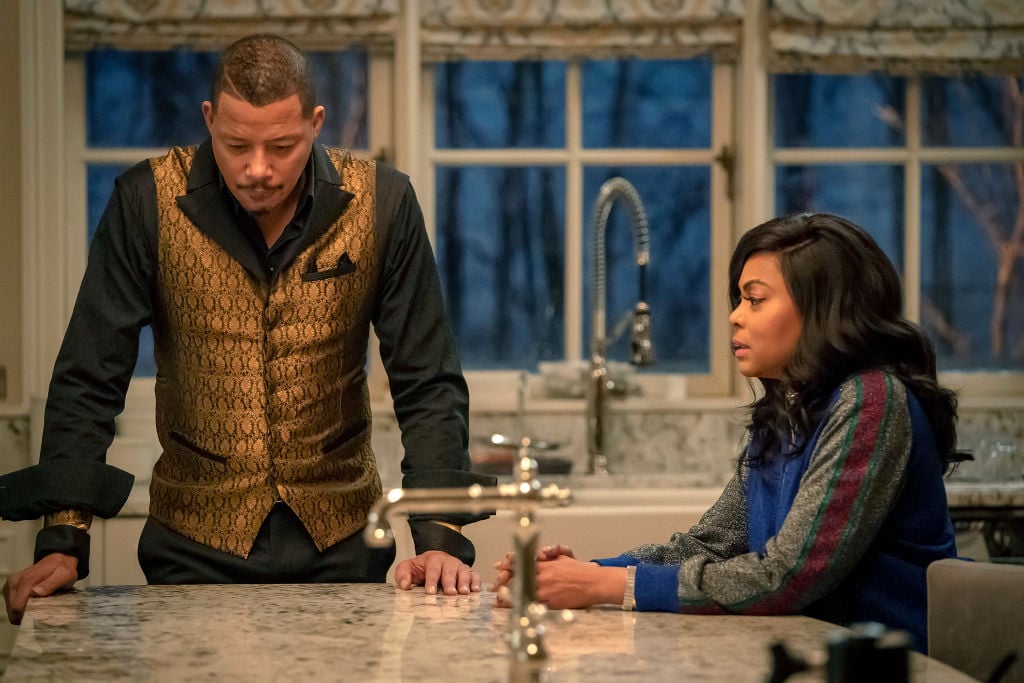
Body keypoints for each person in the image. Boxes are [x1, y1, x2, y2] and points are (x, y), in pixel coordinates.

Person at [1, 34, 495, 625]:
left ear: (315, 124)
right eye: (236, 145)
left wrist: (440, 536)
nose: (257, 169)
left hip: (344, 543)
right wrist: (63, 537)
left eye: (282, 147)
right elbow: (90, 373)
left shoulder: (382, 202)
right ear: (210, 119)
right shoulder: (146, 201)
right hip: (192, 546)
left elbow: (427, 377)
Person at [492, 212, 962, 653]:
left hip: (888, 666)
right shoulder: (787, 412)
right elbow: (711, 544)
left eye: (755, 299)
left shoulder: (871, 401)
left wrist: (603, 585)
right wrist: (582, 573)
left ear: (823, 309)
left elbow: (787, 576)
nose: (736, 315)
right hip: (813, 653)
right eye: (739, 299)